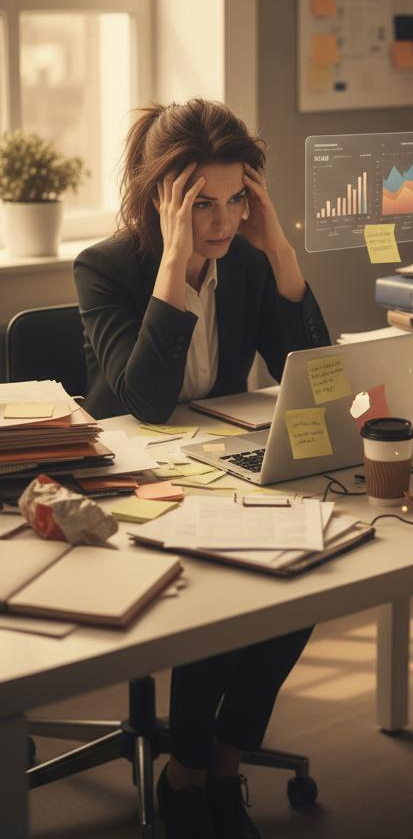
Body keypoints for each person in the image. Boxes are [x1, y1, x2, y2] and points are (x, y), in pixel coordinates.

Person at [74, 99, 331, 839]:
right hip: (126, 482)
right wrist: (173, 263)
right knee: (222, 578)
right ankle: (185, 772)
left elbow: (309, 375)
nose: (222, 222)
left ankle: (223, 757)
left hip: (215, 469)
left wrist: (279, 250)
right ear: (159, 198)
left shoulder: (248, 263)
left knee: (307, 572)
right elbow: (148, 403)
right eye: (202, 205)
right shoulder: (105, 269)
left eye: (235, 201)